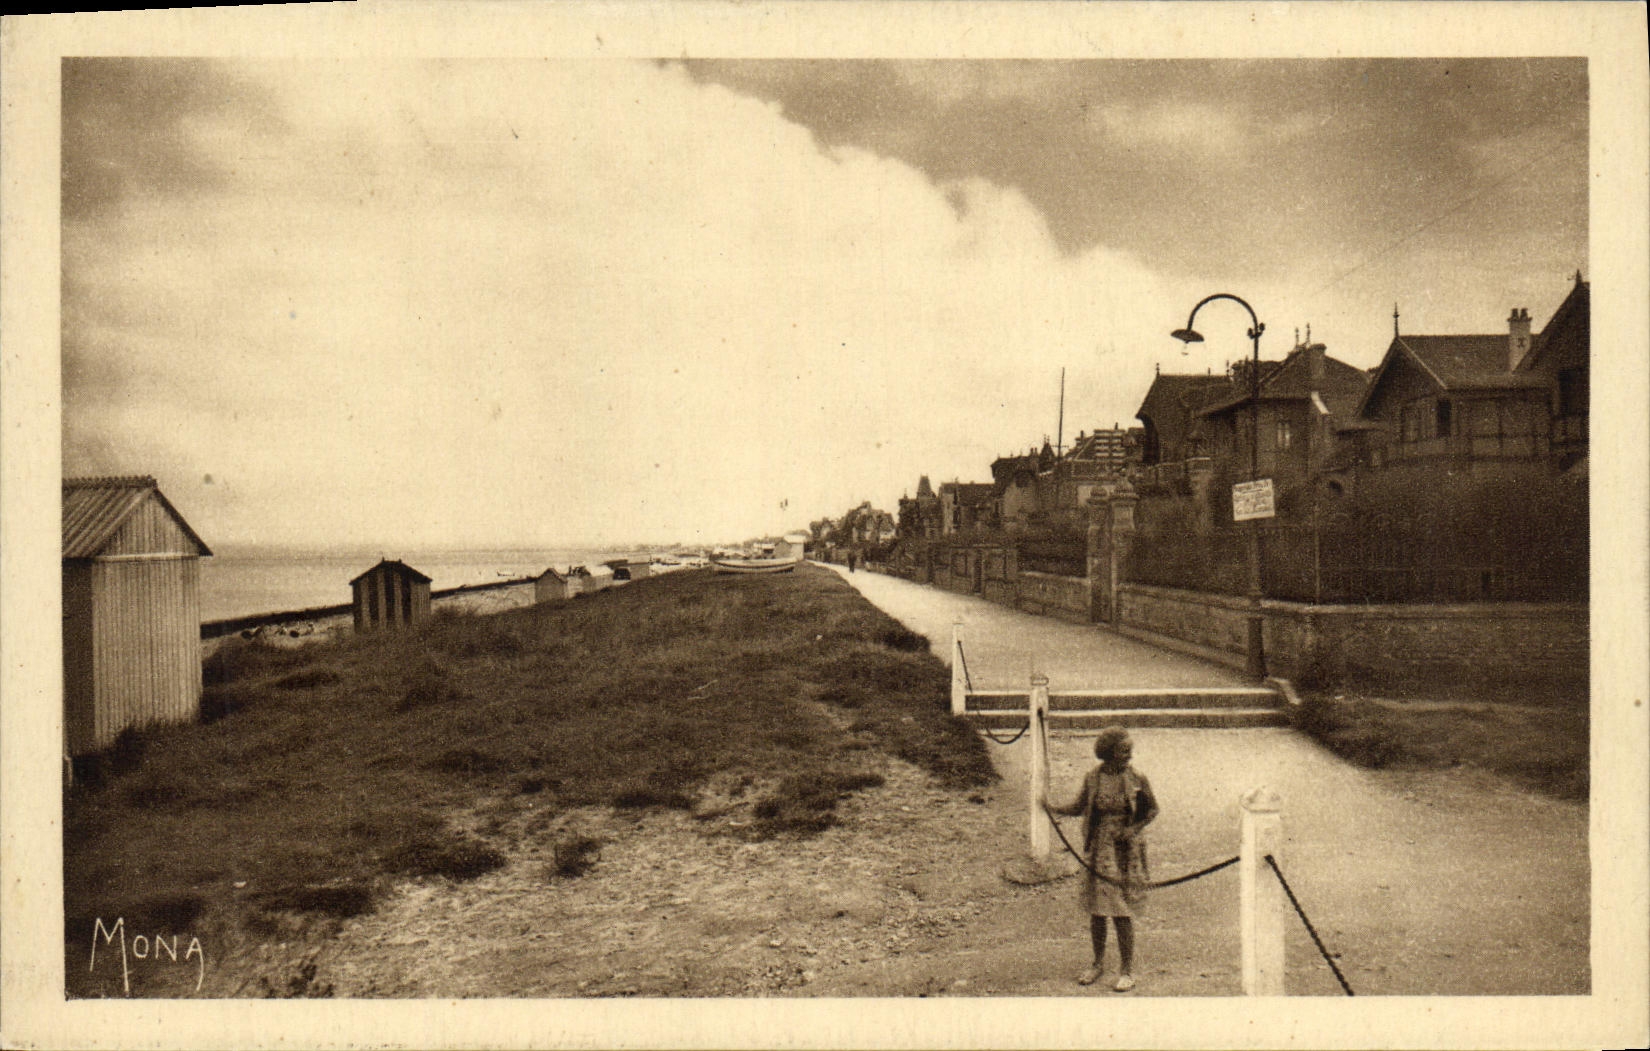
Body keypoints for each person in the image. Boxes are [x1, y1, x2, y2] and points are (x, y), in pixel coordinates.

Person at [1043, 726, 1159, 992]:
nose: (1129, 756)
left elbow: (1152, 810)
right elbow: (1079, 806)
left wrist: (1131, 830)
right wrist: (1052, 808)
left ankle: (1126, 970)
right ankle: (1097, 964)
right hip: (1098, 849)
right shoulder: (1093, 777)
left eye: (1130, 750)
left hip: (1125, 852)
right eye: (1123, 751)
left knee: (1121, 911)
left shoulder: (1137, 778)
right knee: (1097, 910)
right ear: (1108, 753)